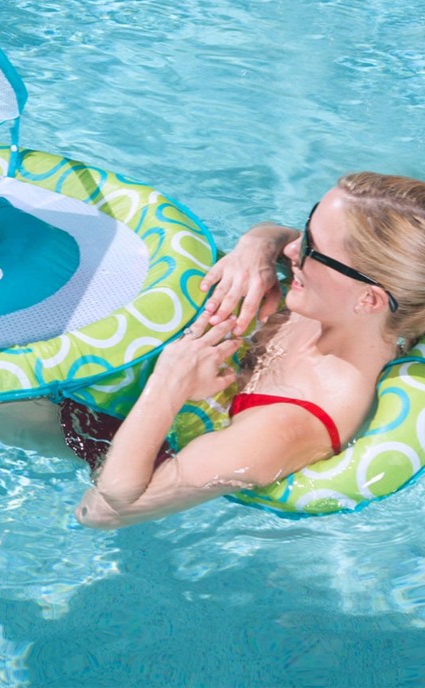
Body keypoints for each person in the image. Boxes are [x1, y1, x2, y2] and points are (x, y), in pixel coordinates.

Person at [73, 172, 425, 529]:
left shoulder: (283, 428)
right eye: (306, 227)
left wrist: (168, 384)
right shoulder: (342, 305)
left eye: (310, 249)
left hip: (85, 423)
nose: (292, 250)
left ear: (369, 299)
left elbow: (101, 511)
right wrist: (257, 245)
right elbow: (284, 236)